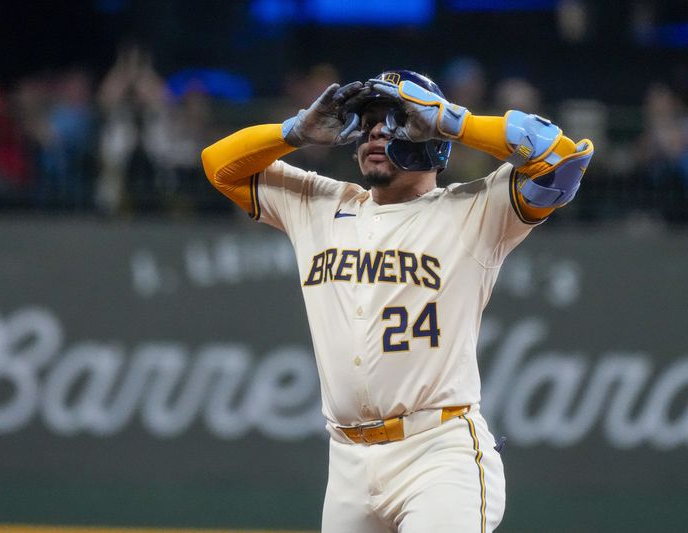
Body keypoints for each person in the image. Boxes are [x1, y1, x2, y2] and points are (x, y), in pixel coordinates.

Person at [201, 69, 593, 532]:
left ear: (432, 136)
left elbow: (563, 158)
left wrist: (455, 121)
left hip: (438, 454)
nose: (376, 131)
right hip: (347, 463)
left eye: (395, 119)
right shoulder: (318, 204)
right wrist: (296, 132)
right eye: (367, 121)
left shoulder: (475, 209)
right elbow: (218, 164)